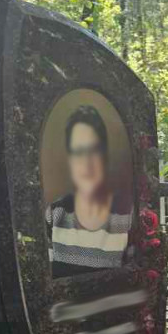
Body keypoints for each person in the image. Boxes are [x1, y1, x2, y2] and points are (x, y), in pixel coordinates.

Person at [45, 104, 132, 274]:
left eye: (94, 150)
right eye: (78, 152)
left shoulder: (126, 217)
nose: (87, 162)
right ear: (70, 160)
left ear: (105, 155)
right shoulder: (55, 215)